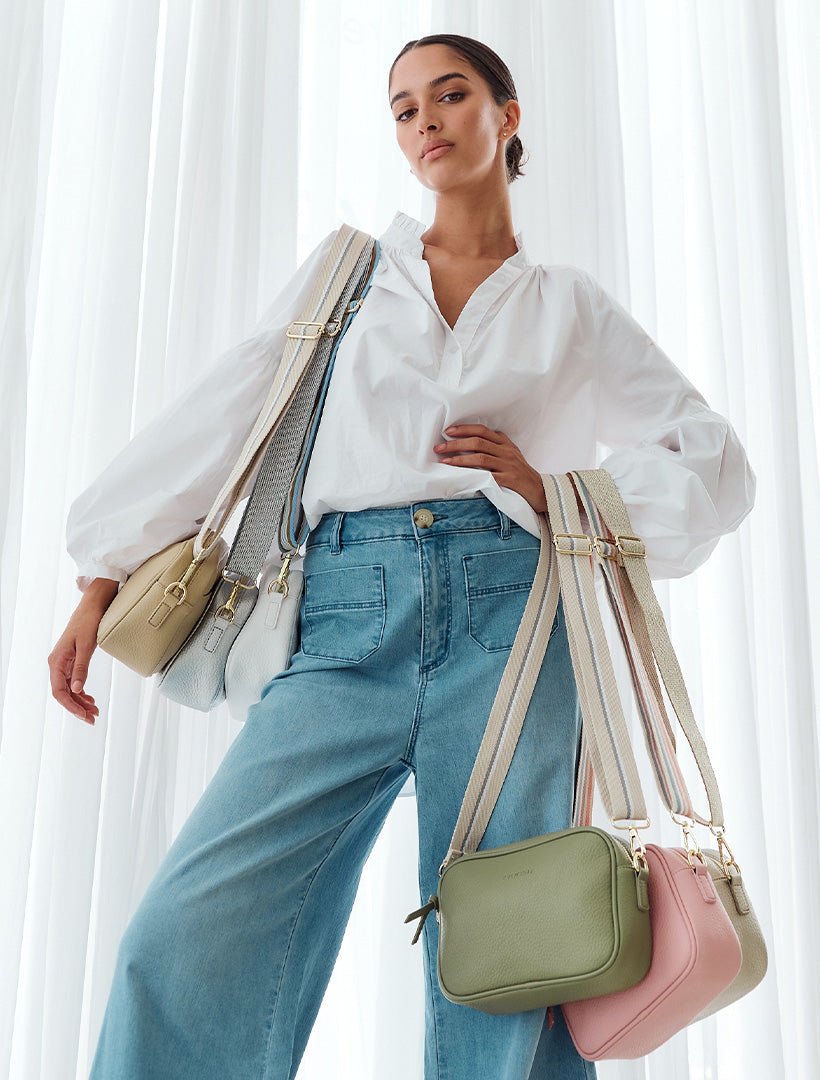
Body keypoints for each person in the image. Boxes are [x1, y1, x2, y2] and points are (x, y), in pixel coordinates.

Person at [49, 32, 756, 1080]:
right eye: (403, 107)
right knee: (185, 933)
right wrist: (102, 574)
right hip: (343, 612)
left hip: (514, 625)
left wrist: (551, 491)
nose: (423, 120)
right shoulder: (350, 278)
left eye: (450, 94)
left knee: (517, 957)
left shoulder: (568, 305)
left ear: (506, 117)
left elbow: (714, 464)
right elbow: (229, 412)